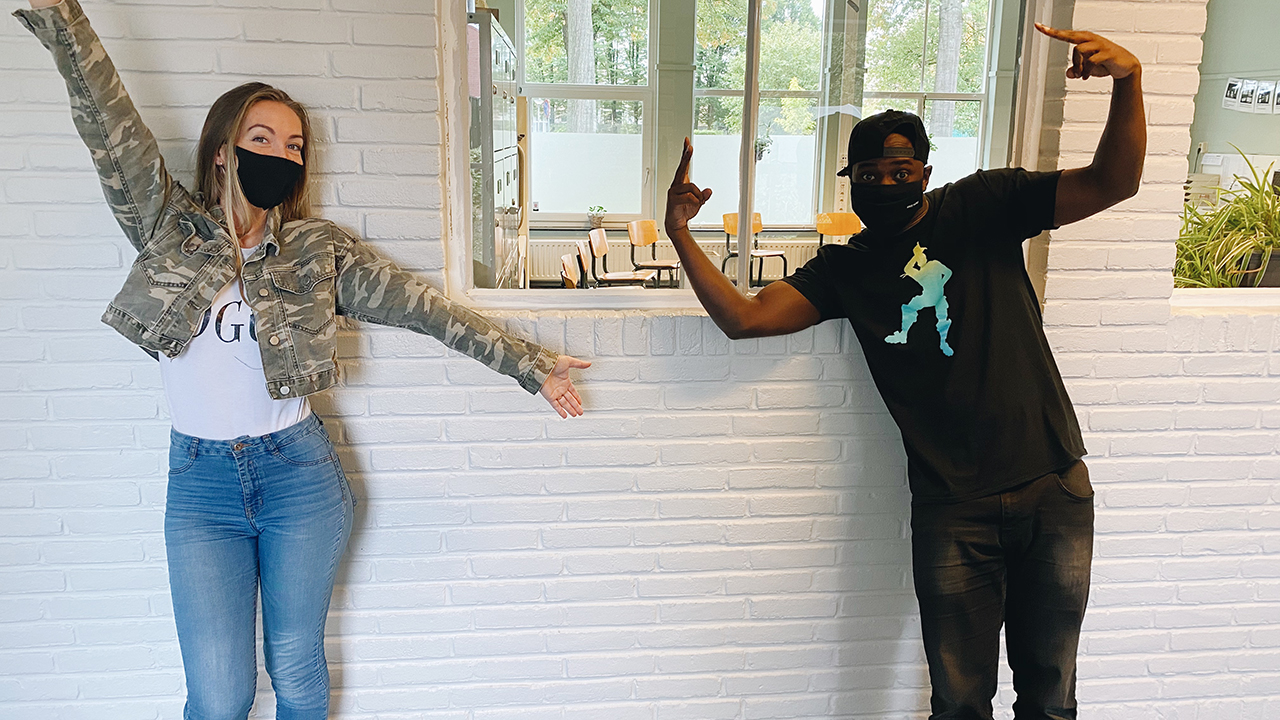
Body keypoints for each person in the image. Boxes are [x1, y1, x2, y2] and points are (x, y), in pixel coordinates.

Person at [13, 0, 590, 717]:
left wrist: (529, 364)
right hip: (199, 486)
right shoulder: (167, 226)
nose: (280, 155)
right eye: (261, 138)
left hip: (298, 476)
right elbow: (110, 124)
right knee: (218, 694)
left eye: (293, 147)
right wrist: (63, 17)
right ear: (223, 150)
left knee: (294, 664)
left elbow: (427, 310)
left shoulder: (317, 251)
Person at [664, 23, 1145, 720]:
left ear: (925, 171)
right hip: (953, 508)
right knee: (958, 701)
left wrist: (1129, 82)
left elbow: (1113, 182)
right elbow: (745, 318)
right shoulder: (847, 269)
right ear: (851, 182)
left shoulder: (982, 206)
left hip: (1052, 486)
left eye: (901, 172)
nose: (886, 184)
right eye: (869, 175)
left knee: (1051, 695)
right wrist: (681, 233)